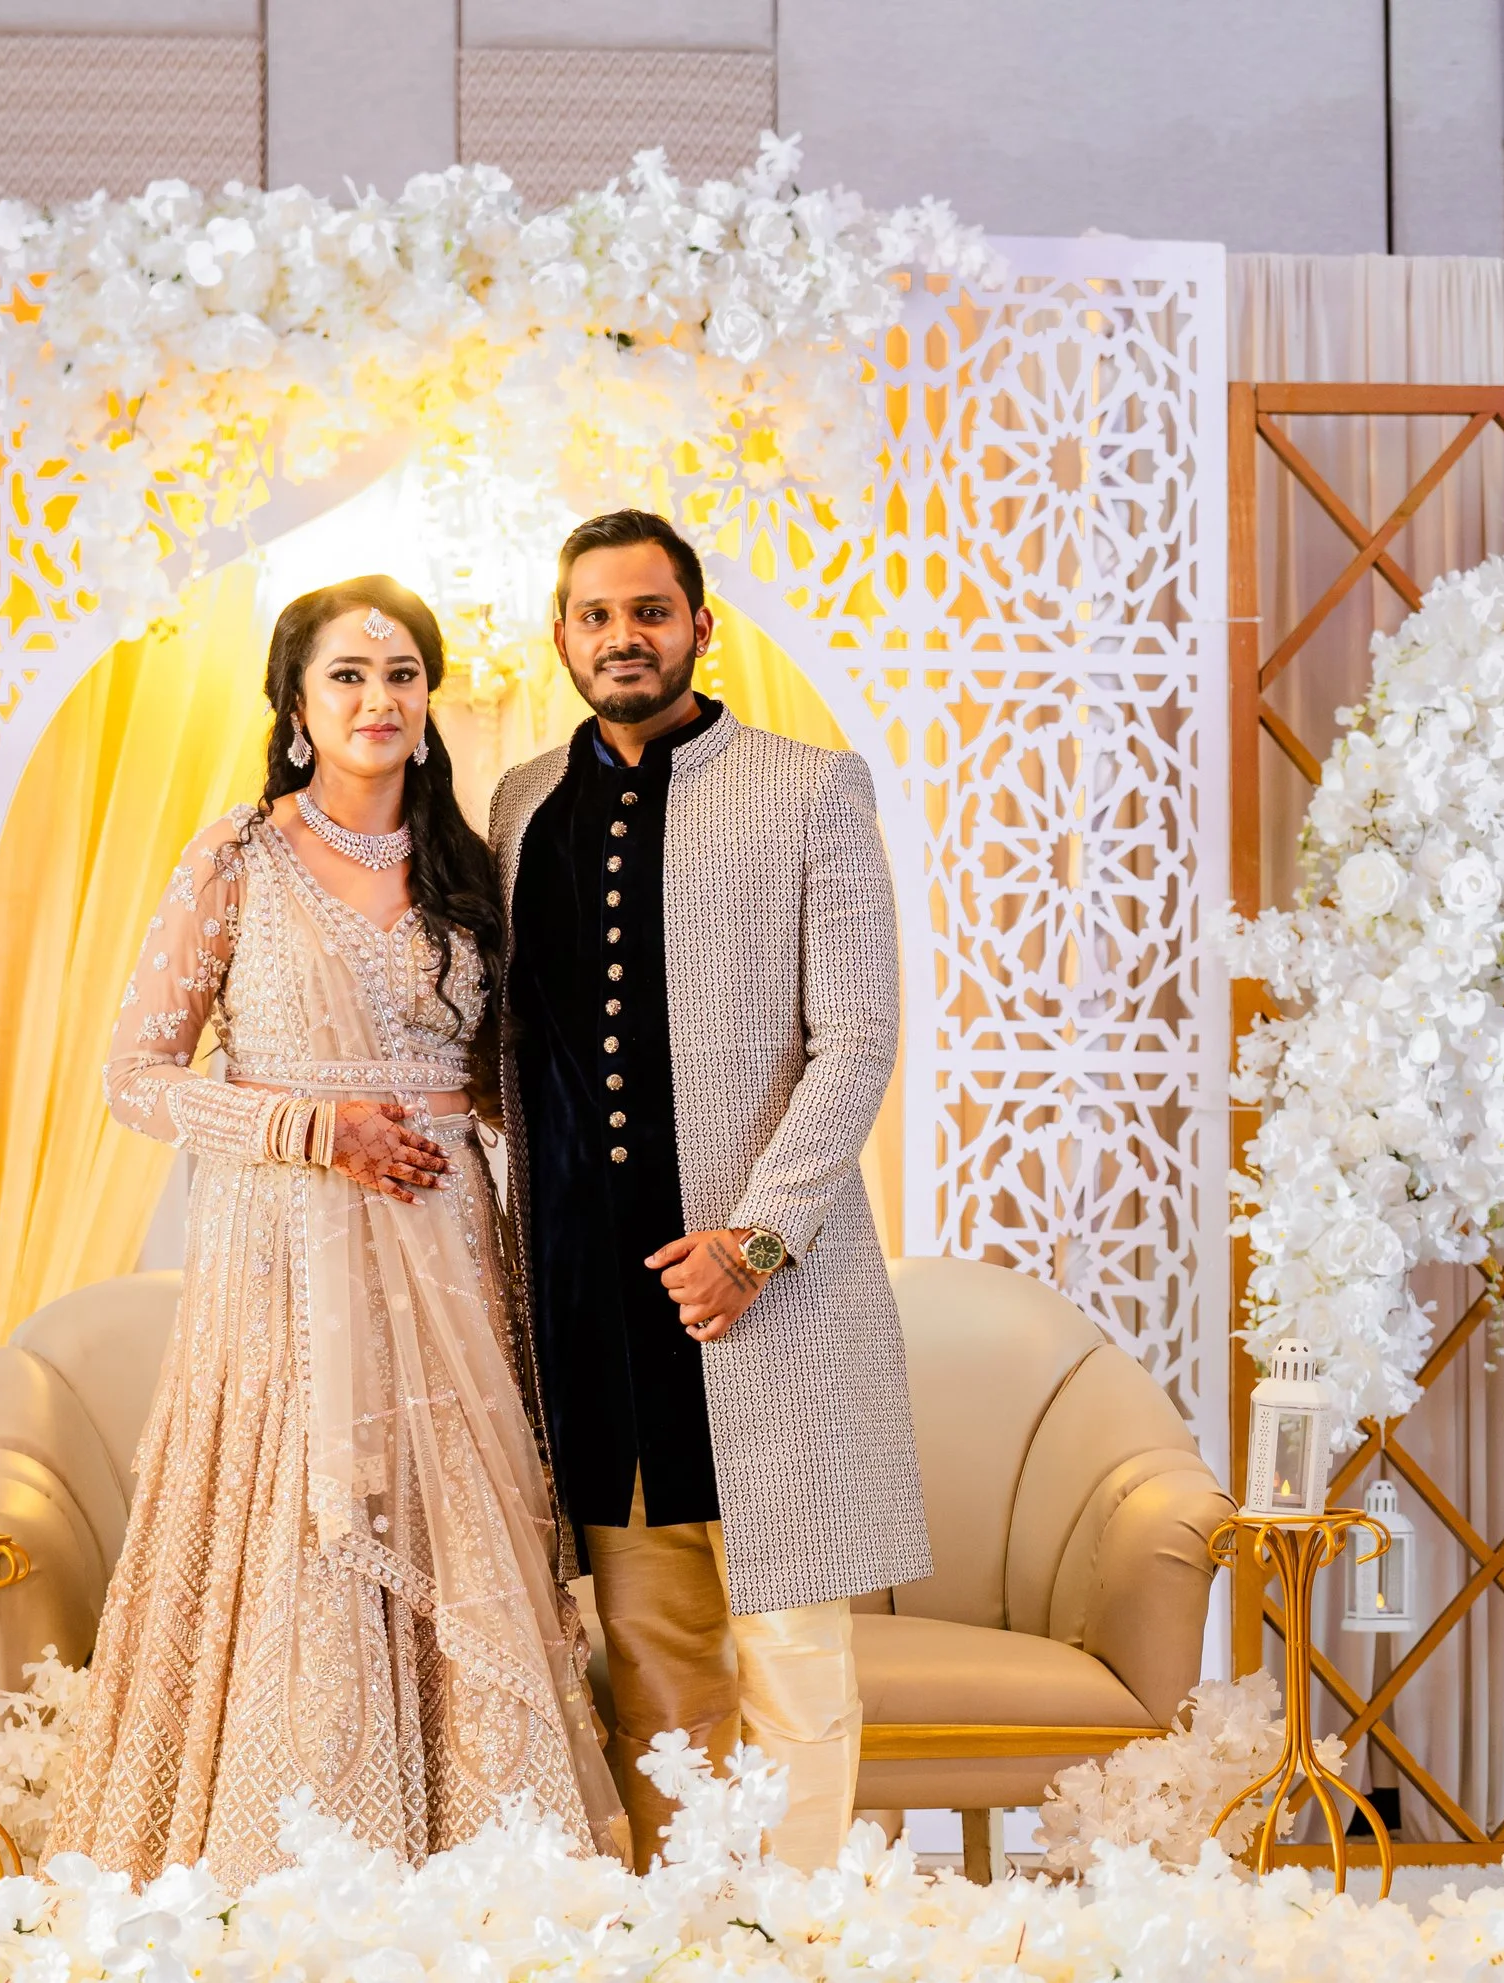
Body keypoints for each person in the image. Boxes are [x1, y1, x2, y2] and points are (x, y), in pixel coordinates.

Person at [56, 575, 625, 1889]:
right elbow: (133, 1075)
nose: (379, 698)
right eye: (348, 676)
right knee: (295, 1538)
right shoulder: (237, 858)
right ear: (298, 706)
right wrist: (313, 1130)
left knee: (466, 1536)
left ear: (430, 705)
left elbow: (511, 1078)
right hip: (281, 1261)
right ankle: (287, 1874)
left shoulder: (477, 867)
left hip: (445, 1254)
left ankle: (487, 1881)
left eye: (401, 674)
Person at [489, 510, 930, 1871]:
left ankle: (794, 1933)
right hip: (590, 1303)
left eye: (649, 610)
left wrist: (756, 1238)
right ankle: (677, 1928)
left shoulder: (808, 786)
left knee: (791, 1639)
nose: (623, 636)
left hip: (759, 1298)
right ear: (563, 636)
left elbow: (857, 1037)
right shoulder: (518, 807)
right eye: (596, 615)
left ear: (698, 624)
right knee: (648, 1639)